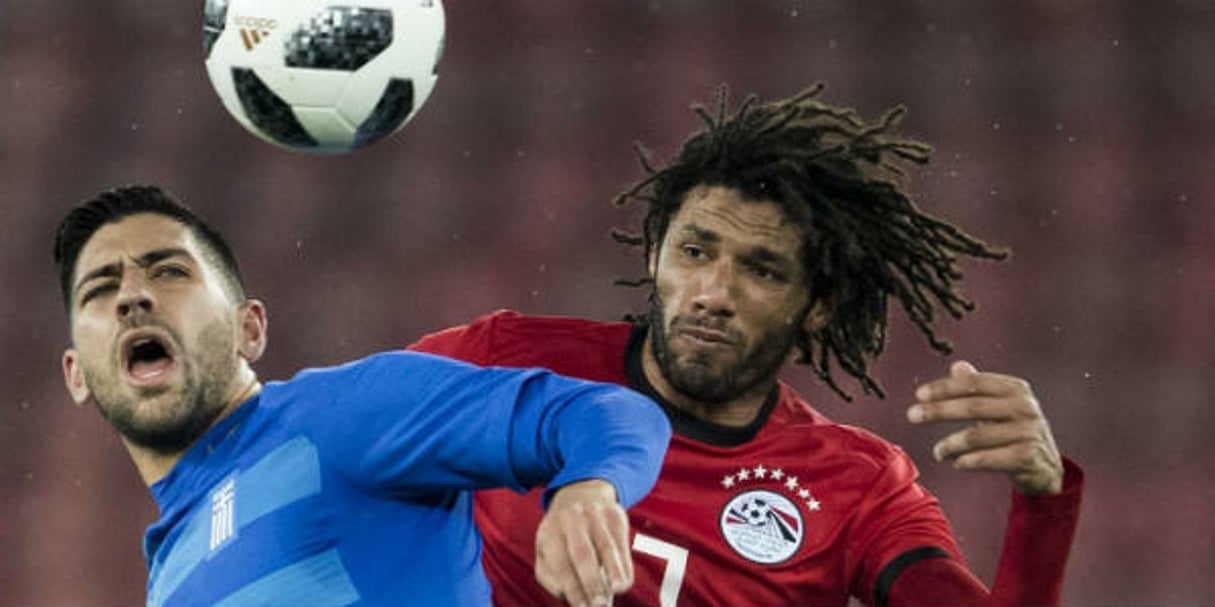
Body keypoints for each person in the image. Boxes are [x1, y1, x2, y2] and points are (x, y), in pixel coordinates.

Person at [410, 84, 1084, 606]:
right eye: (695, 251)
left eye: (761, 269)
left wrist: (1042, 502)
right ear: (654, 254)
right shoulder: (502, 359)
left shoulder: (856, 488)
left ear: (817, 305)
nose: (712, 291)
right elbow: (326, 438)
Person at [54, 185, 671, 607]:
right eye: (100, 289)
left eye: (169, 271)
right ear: (77, 374)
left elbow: (607, 412)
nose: (132, 296)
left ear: (251, 327)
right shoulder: (167, 574)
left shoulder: (337, 415)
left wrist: (588, 490)